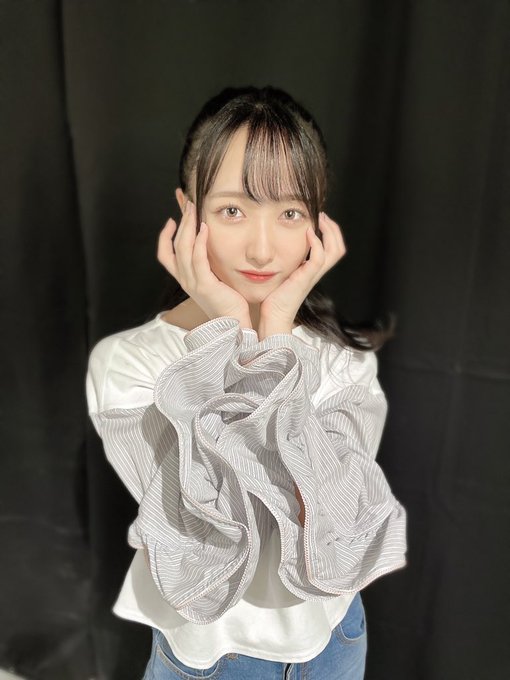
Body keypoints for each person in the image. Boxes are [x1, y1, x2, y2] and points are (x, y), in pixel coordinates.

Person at [86, 85, 407, 680]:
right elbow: (206, 547)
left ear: (317, 224)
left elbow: (332, 534)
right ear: (188, 212)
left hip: (336, 640)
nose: (262, 248)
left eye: (290, 213)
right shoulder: (129, 364)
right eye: (233, 210)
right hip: (210, 661)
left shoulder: (342, 359)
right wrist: (229, 333)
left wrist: (276, 333)